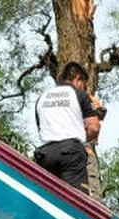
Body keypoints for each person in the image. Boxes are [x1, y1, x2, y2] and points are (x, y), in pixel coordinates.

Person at [33, 62, 99, 193]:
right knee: (76, 201)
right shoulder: (80, 94)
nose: (84, 89)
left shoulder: (42, 97)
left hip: (45, 155)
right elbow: (94, 127)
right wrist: (84, 139)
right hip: (71, 155)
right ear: (78, 79)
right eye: (84, 84)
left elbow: (41, 128)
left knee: (50, 199)